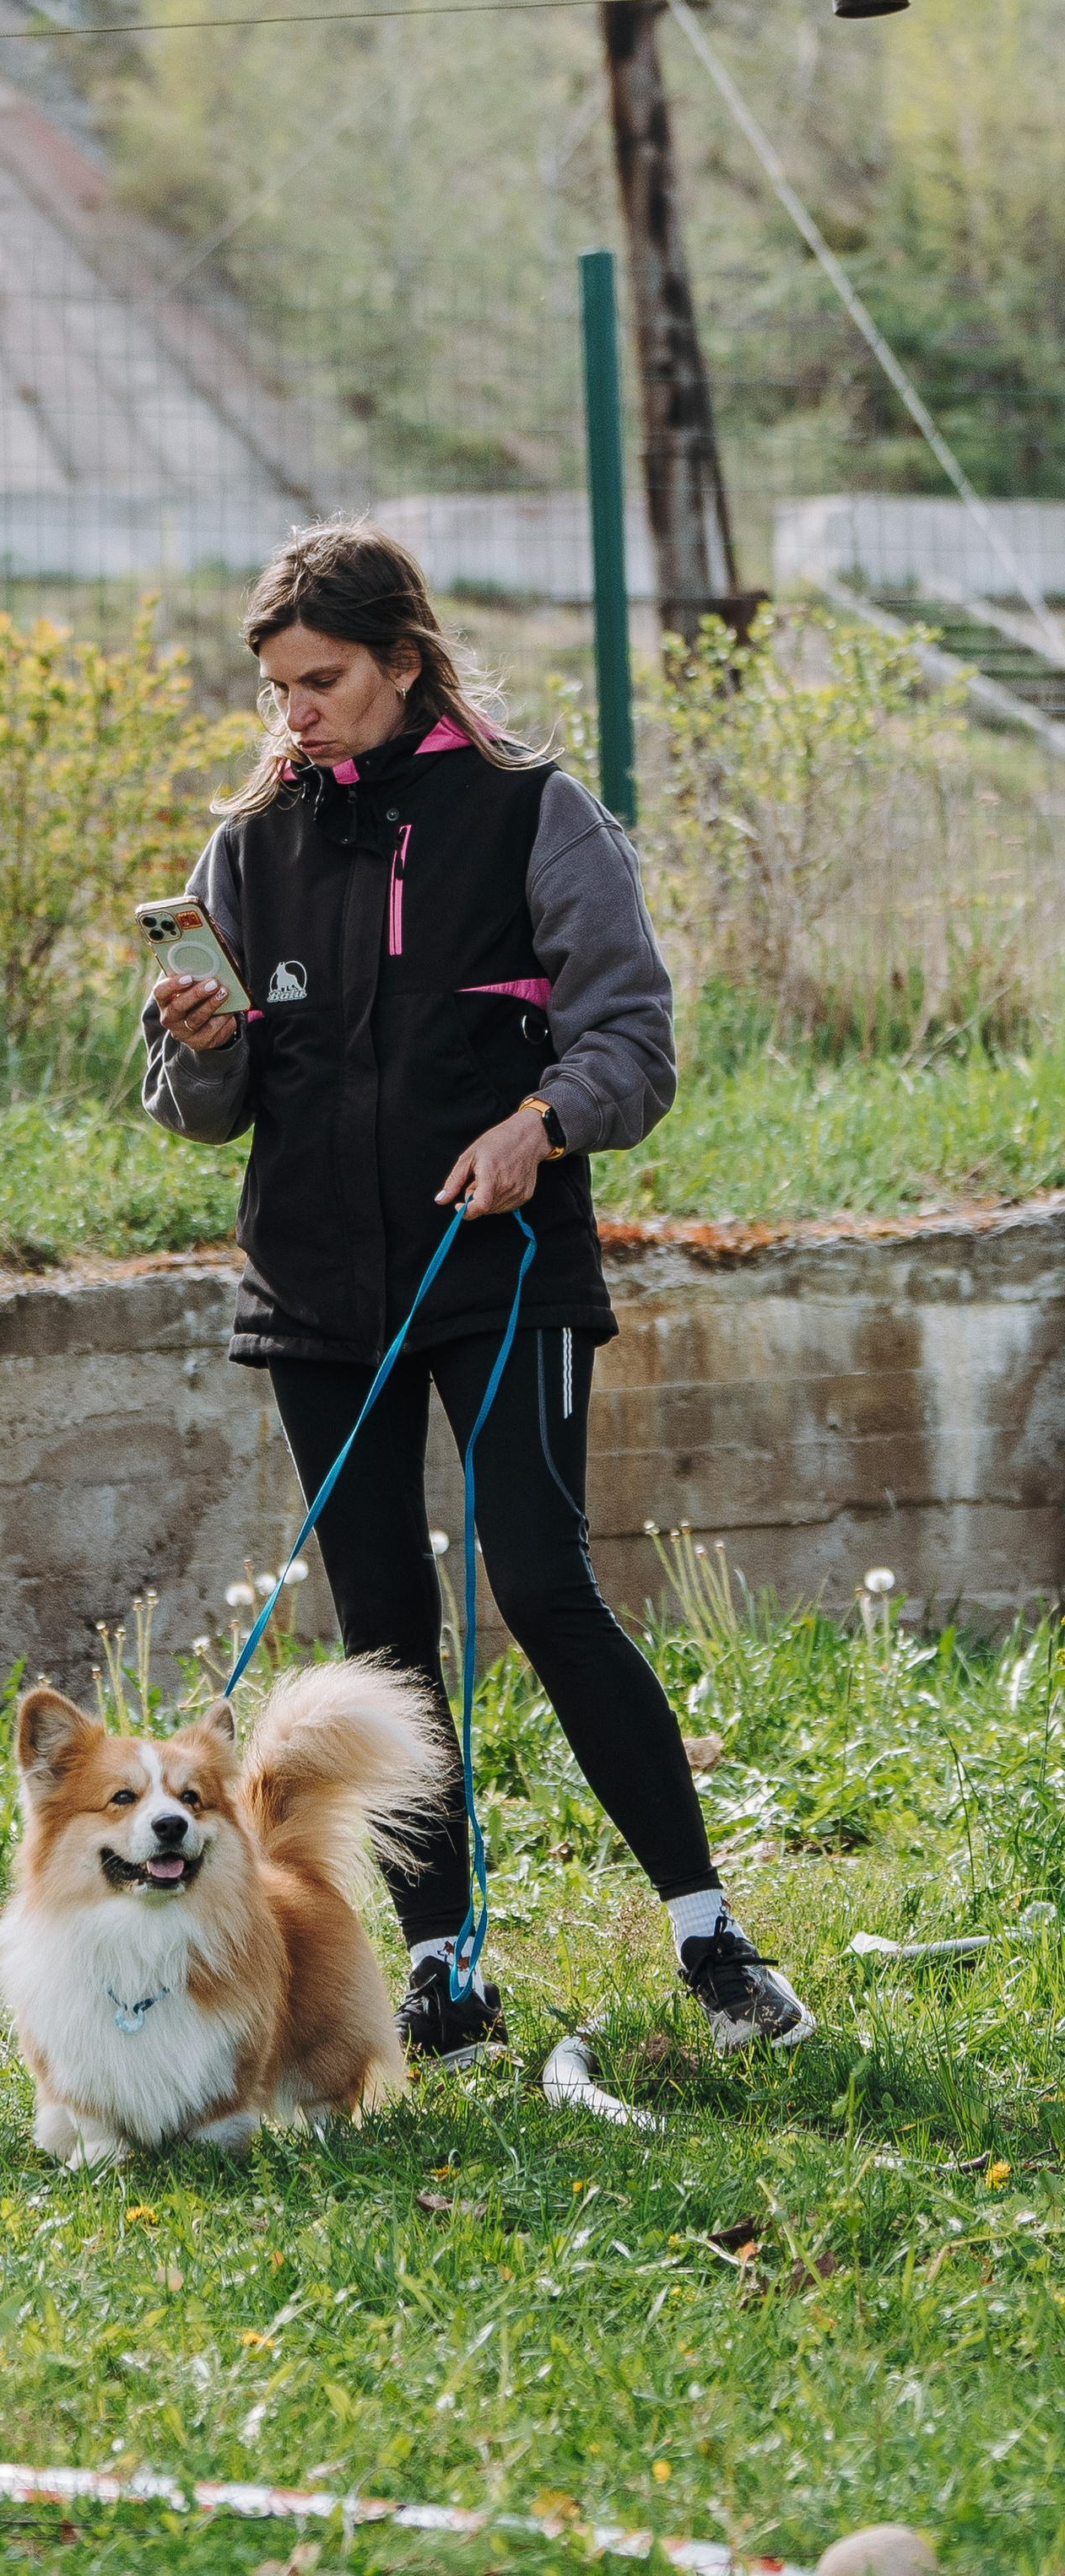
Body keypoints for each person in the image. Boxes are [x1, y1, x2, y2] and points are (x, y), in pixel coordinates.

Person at [142, 521, 812, 2064]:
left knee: (547, 1586)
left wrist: (542, 1123)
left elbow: (632, 1045)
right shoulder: (246, 848)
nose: (295, 714)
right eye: (278, 689)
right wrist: (198, 1037)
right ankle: (443, 1969)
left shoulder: (533, 817)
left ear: (402, 661)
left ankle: (710, 1938)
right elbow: (201, 1109)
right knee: (382, 1631)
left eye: (323, 682)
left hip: (499, 1267)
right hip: (317, 1288)